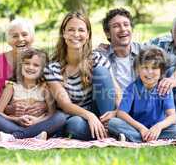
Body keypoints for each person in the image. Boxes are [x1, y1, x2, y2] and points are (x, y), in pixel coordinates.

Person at [99, 8, 176, 141]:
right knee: (113, 123)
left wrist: (174, 79)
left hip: (164, 114)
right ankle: (142, 136)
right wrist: (118, 114)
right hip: (131, 115)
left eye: (126, 25)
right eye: (116, 26)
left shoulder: (144, 51)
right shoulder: (102, 55)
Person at [44, 12, 121, 141]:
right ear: (63, 33)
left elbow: (117, 91)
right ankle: (110, 132)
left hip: (102, 111)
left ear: (88, 35)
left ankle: (108, 127)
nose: (76, 34)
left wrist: (116, 112)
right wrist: (89, 116)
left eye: (81, 30)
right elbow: (65, 104)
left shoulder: (98, 59)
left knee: (101, 72)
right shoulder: (52, 68)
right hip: (77, 116)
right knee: (74, 125)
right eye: (71, 30)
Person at [0, 18, 47, 137]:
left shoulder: (41, 61)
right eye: (15, 36)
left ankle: (16, 135)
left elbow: (51, 92)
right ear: (9, 40)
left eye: (24, 34)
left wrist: (43, 106)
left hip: (36, 120)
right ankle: (28, 135)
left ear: (32, 37)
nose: (20, 39)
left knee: (59, 117)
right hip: (7, 120)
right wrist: (9, 109)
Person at [0, 48, 66, 141]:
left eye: (36, 65)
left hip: (37, 124)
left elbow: (51, 114)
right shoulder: (11, 86)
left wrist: (36, 121)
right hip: (14, 124)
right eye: (27, 63)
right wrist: (17, 120)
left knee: (60, 117)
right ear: (20, 66)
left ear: (43, 69)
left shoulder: (45, 88)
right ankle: (32, 135)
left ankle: (15, 136)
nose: (30, 67)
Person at [109, 47, 176, 142]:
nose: (149, 72)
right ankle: (144, 137)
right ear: (138, 70)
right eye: (145, 68)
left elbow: (172, 116)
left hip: (157, 128)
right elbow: (121, 113)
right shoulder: (132, 88)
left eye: (154, 68)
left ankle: (134, 138)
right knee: (113, 123)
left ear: (161, 71)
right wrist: (141, 128)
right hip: (136, 127)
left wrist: (159, 127)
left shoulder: (164, 88)